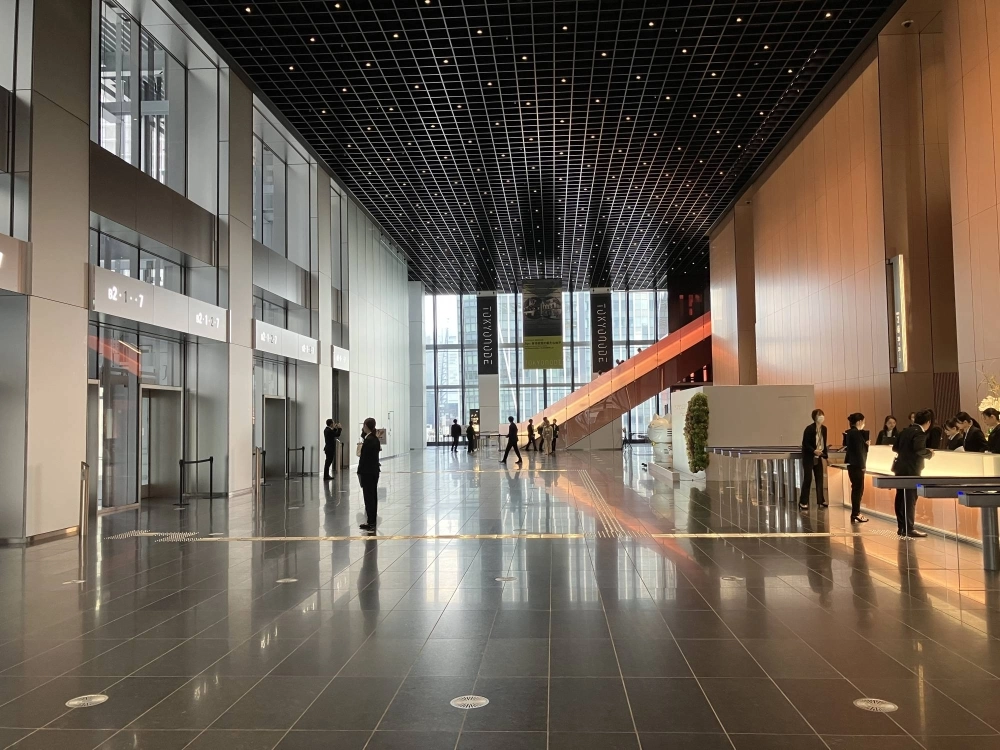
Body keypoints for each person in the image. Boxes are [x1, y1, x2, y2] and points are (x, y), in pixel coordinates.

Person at [892, 409, 933, 538]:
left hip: (900, 469)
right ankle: (909, 528)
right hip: (912, 470)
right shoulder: (919, 433)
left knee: (900, 497)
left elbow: (895, 447)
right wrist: (929, 453)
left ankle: (901, 527)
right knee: (910, 499)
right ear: (928, 422)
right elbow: (919, 449)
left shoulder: (905, 431)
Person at [799, 409, 829, 511]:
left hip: (818, 455)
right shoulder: (809, 429)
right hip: (809, 456)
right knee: (808, 478)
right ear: (814, 417)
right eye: (819, 415)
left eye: (822, 414)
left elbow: (824, 442)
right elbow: (805, 443)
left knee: (819, 478)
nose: (821, 417)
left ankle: (821, 500)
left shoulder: (824, 429)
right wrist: (813, 451)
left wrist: (825, 456)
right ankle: (803, 502)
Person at [844, 413, 870, 524]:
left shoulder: (850, 432)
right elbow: (859, 451)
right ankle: (856, 513)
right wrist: (863, 465)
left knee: (856, 488)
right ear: (859, 422)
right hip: (857, 465)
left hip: (852, 464)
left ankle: (855, 512)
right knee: (858, 489)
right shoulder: (856, 433)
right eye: (863, 421)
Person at [357, 417, 381, 532]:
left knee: (369, 497)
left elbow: (364, 458)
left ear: (366, 426)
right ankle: (371, 520)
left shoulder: (369, 440)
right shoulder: (374, 438)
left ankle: (371, 521)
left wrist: (359, 470)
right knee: (372, 496)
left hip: (368, 472)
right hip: (373, 471)